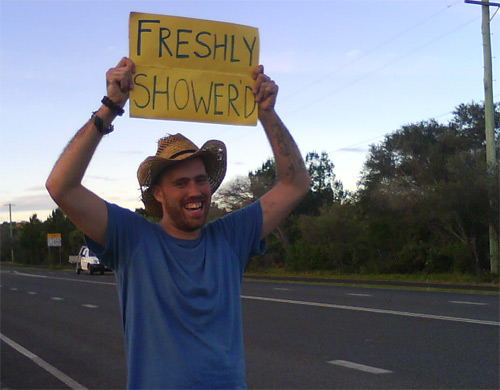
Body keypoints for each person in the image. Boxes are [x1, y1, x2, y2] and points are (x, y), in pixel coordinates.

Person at [46, 57, 311, 389]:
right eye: (180, 183)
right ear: (157, 192)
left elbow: (295, 184)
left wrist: (268, 115)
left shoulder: (230, 237)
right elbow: (61, 187)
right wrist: (111, 106)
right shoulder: (132, 239)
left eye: (200, 180)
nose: (195, 191)